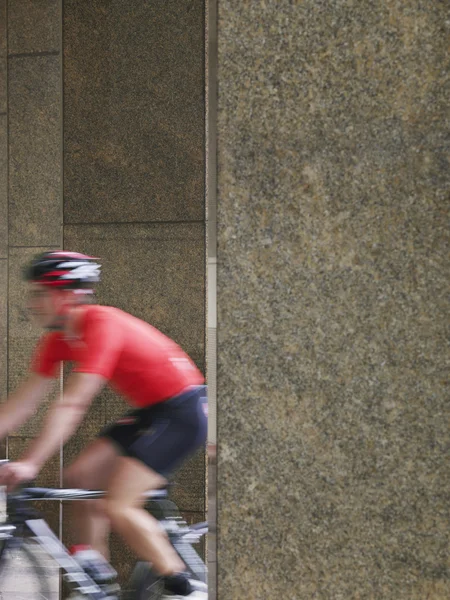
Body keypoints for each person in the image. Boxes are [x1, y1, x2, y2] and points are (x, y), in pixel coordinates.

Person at [0, 251, 208, 599]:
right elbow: (24, 402)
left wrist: (31, 463)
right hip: (151, 413)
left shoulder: (103, 323)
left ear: (66, 295)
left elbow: (74, 402)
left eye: (39, 294)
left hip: (183, 412)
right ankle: (98, 578)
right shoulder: (56, 340)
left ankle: (184, 587)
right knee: (80, 478)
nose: (31, 303)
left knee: (120, 505)